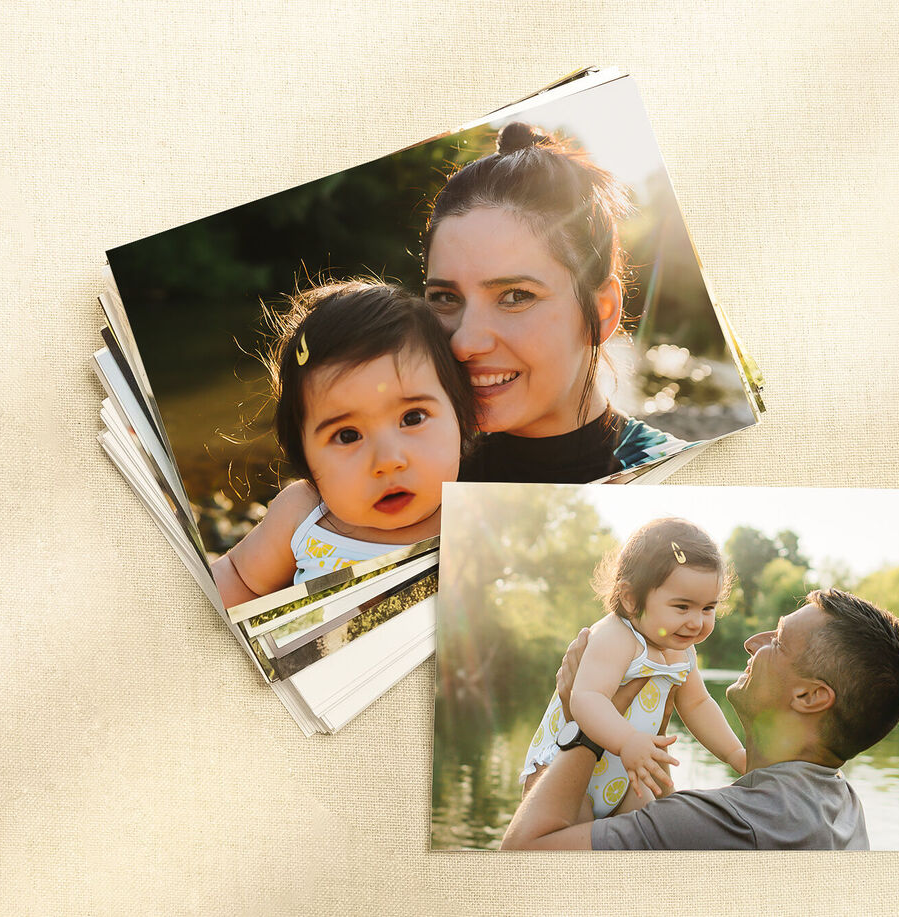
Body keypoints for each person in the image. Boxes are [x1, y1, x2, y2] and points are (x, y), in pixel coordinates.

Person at [501, 588, 899, 850]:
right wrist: (663, 802)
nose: (751, 643)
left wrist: (589, 728)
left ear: (810, 696)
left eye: (777, 641)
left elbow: (523, 858)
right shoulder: (843, 805)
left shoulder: (731, 824)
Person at [423, 121, 687, 483]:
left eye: (516, 296)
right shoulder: (412, 484)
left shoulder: (677, 478)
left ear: (601, 310)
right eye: (445, 298)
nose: (464, 343)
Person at [211, 281, 475, 607]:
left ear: (460, 416)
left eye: (413, 418)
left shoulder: (477, 516)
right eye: (347, 436)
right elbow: (236, 580)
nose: (387, 461)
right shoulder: (304, 513)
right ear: (304, 455)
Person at [519, 518, 746, 817]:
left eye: (708, 608)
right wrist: (627, 741)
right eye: (682, 607)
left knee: (644, 825)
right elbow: (586, 697)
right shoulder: (617, 636)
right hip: (568, 769)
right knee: (572, 839)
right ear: (630, 598)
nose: (696, 621)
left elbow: (698, 704)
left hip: (628, 775)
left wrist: (735, 754)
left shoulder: (682, 652)